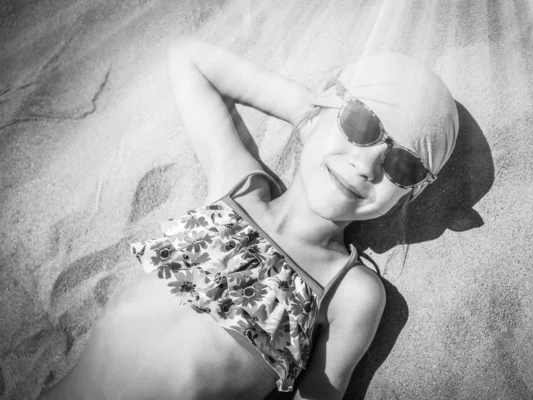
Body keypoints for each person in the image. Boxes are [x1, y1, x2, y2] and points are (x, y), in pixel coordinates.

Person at [38, 36, 458, 400]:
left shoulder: (350, 291)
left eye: (403, 166)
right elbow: (189, 58)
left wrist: (334, 123)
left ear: (410, 194)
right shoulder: (238, 189)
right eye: (360, 123)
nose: (367, 166)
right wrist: (311, 114)